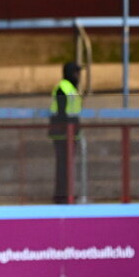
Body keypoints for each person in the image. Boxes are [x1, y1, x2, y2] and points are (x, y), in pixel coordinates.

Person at [48, 62, 82, 204]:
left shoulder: (70, 89)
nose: (78, 76)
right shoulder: (63, 88)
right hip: (63, 133)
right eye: (76, 73)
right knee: (64, 166)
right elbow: (62, 113)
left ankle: (65, 195)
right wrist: (69, 129)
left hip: (68, 133)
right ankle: (63, 196)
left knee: (66, 166)